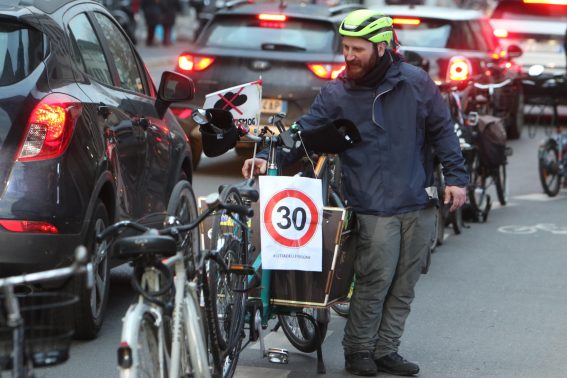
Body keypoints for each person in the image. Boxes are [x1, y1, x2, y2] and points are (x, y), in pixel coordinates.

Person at [242, 8, 468, 377]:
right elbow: (302, 134)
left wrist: (457, 178)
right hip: (372, 204)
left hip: (418, 198)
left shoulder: (415, 82)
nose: (348, 56)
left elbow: (442, 131)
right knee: (375, 279)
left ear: (381, 47)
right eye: (345, 47)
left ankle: (386, 349)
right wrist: (269, 158)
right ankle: (358, 350)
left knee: (405, 283)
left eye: (357, 49)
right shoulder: (337, 92)